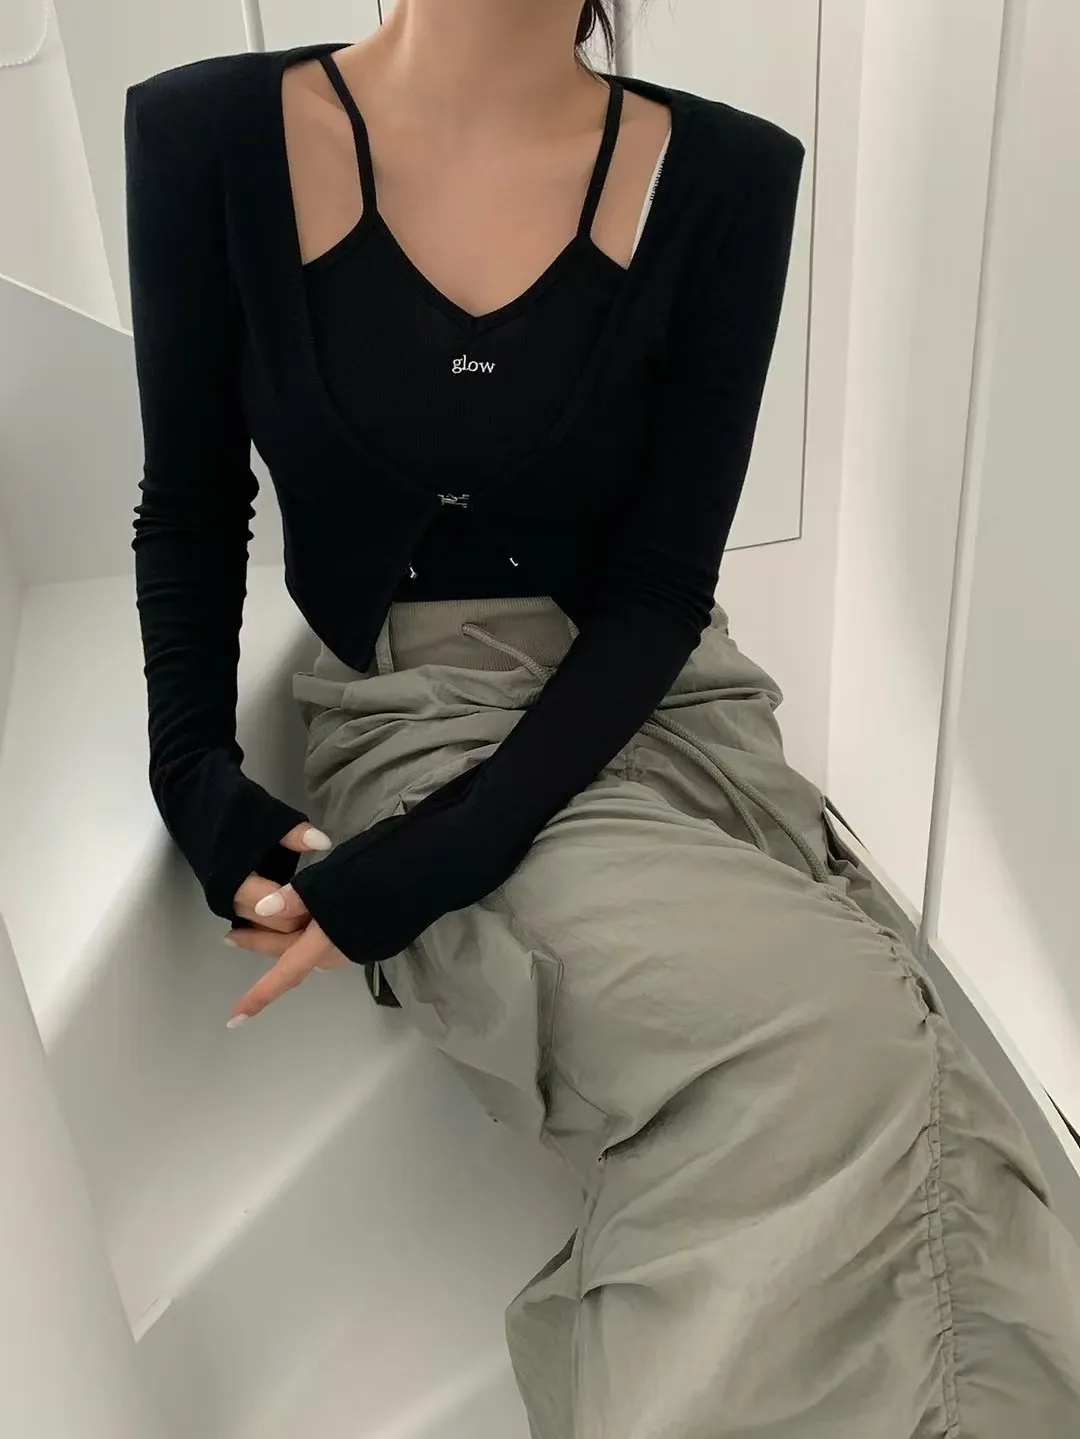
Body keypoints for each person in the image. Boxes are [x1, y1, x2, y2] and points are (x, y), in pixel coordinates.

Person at [123, 3, 1080, 1435]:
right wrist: (194, 774)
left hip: (661, 702)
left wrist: (441, 859)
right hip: (424, 714)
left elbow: (658, 593)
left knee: (927, 1080)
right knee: (850, 1044)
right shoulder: (208, 133)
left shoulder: (729, 174)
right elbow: (194, 504)